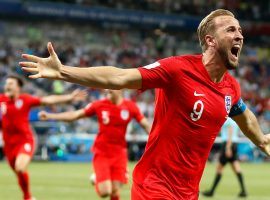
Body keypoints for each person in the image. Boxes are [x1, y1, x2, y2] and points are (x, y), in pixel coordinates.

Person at [19, 9, 270, 200]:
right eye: (230, 30)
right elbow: (119, 77)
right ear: (211, 40)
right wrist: (64, 72)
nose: (239, 35)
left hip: (188, 192)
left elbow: (243, 115)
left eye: (239, 30)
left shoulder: (231, 88)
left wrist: (261, 140)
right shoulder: (177, 69)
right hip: (154, 186)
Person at [38, 89, 151, 200]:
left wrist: (158, 140)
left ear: (121, 89)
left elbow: (146, 125)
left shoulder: (130, 106)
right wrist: (51, 116)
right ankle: (97, 179)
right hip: (102, 152)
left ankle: (101, 179)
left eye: (112, 87)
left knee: (115, 190)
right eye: (107, 87)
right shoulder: (99, 105)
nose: (108, 90)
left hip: (119, 152)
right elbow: (75, 115)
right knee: (105, 192)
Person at [0, 75, 86, 200]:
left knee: (20, 167)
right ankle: (28, 197)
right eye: (7, 83)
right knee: (19, 172)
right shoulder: (2, 100)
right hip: (8, 145)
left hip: (25, 140)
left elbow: (47, 100)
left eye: (11, 83)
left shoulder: (25, 100)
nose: (7, 85)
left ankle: (27, 197)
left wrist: (69, 97)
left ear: (18, 88)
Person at [202, 118, 247, 198]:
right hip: (234, 144)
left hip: (228, 144)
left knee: (219, 168)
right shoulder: (235, 119)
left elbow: (230, 131)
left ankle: (211, 191)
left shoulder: (229, 120)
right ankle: (243, 191)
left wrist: (228, 147)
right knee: (236, 168)